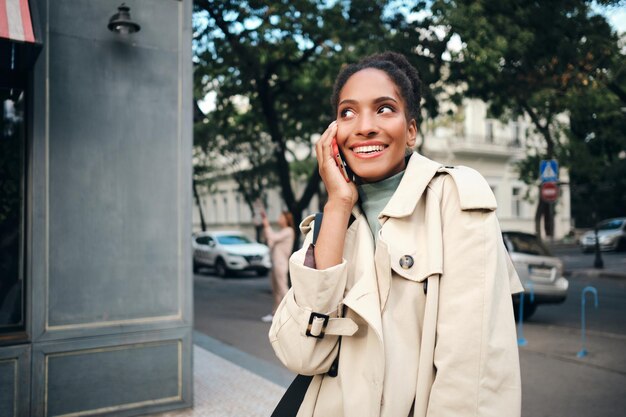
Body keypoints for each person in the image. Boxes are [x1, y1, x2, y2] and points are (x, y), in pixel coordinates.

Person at [269, 52, 523, 417]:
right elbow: (301, 355)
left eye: (384, 109)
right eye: (348, 112)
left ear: (412, 130)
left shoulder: (455, 198)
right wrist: (338, 205)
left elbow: (474, 370)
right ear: (333, 134)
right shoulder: (330, 222)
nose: (365, 126)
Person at [261, 210, 296, 323]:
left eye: (281, 217)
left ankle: (293, 314)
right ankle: (275, 313)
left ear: (287, 219)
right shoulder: (282, 232)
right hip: (275, 263)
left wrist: (266, 224)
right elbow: (271, 241)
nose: (279, 219)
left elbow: (273, 237)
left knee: (283, 289)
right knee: (275, 290)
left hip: (281, 264)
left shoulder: (288, 231)